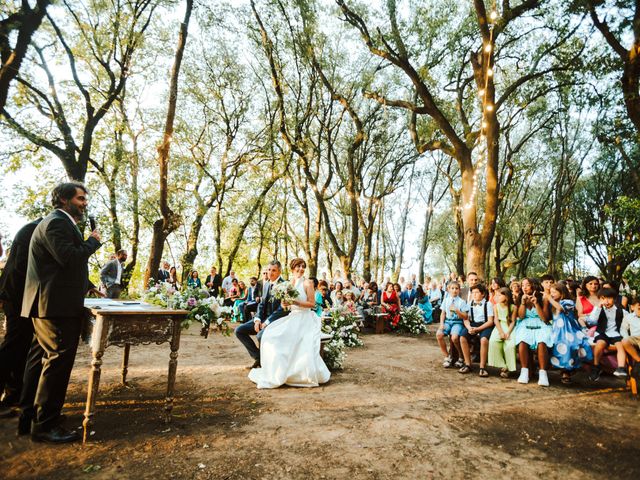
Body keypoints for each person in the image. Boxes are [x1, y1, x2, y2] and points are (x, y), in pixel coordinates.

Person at [20, 181, 102, 443]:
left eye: (85, 199)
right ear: (65, 200)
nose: (84, 203)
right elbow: (68, 257)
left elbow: (63, 264)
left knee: (44, 360)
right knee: (57, 363)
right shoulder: (56, 222)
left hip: (51, 304)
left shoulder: (59, 222)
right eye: (80, 199)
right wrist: (92, 243)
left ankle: (34, 416)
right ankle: (44, 425)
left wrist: (87, 286)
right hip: (54, 306)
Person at [248, 258, 330, 388]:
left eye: (303, 267)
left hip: (305, 319)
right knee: (270, 335)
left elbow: (311, 304)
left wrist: (294, 302)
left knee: (294, 340)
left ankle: (300, 374)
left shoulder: (308, 283)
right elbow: (285, 305)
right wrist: (285, 303)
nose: (301, 269)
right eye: (298, 266)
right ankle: (277, 370)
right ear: (292, 268)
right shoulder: (289, 283)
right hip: (293, 317)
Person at [0, 218, 42, 417]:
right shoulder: (36, 231)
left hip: (22, 295)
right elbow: (29, 267)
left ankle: (13, 394)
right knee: (13, 346)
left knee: (21, 346)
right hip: (18, 296)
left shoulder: (34, 229)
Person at [235, 260, 289, 369]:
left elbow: (283, 309)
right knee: (239, 331)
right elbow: (261, 304)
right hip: (263, 318)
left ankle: (268, 364)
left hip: (276, 320)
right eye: (269, 270)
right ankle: (258, 357)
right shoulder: (266, 284)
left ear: (279, 271)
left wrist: (267, 322)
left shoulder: (285, 285)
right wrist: (257, 319)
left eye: (273, 270)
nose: (270, 272)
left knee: (260, 335)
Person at [548, 282, 593, 384]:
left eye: (554, 292)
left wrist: (549, 298)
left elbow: (560, 309)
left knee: (568, 344)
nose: (552, 294)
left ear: (562, 293)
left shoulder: (568, 302)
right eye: (551, 292)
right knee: (553, 342)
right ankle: (560, 368)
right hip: (556, 331)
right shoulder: (553, 304)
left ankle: (566, 371)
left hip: (569, 330)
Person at [514, 278, 553, 386]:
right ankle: (524, 371)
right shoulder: (520, 297)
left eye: (527, 285)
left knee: (542, 342)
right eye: (523, 285)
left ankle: (543, 373)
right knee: (522, 340)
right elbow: (521, 316)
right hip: (525, 323)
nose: (524, 287)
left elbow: (545, 318)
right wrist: (522, 303)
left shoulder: (543, 298)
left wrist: (536, 303)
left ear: (533, 286)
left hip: (541, 323)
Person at [587, 287, 627, 380]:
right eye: (603, 298)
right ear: (600, 299)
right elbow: (592, 321)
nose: (606, 301)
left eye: (609, 298)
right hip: (602, 332)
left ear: (615, 299)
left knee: (620, 345)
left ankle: (621, 368)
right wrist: (598, 307)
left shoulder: (620, 310)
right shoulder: (598, 309)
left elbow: (629, 320)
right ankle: (596, 366)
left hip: (616, 333)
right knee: (600, 344)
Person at [460, 284, 494, 376]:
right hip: (473, 324)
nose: (474, 294)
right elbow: (466, 319)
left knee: (483, 340)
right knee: (462, 337)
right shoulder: (469, 303)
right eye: (473, 292)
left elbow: (490, 321)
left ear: (483, 294)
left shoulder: (488, 304)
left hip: (485, 325)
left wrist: (478, 329)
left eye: (477, 292)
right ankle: (468, 364)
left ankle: (482, 367)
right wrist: (469, 328)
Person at [436, 281, 468, 369]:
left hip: (457, 322)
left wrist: (457, 311)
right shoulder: (446, 300)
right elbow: (442, 313)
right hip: (447, 322)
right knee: (439, 334)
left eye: (456, 288)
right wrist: (441, 324)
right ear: (448, 289)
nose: (454, 290)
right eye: (452, 288)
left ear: (459, 290)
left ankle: (461, 356)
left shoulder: (462, 302)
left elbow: (465, 316)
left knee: (454, 338)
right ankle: (447, 356)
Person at [488, 287, 517, 378]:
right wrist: (501, 332)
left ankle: (509, 367)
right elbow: (496, 320)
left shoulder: (513, 307)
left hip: (509, 327)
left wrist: (508, 332)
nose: (497, 296)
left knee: (510, 345)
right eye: (497, 295)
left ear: (506, 296)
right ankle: (502, 365)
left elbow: (513, 321)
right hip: (499, 327)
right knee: (493, 341)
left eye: (499, 295)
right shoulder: (496, 306)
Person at [621, 298, 640, 377]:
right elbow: (623, 329)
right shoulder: (628, 317)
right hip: (634, 338)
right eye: (639, 308)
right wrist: (626, 337)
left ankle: (637, 367)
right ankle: (639, 361)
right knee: (625, 341)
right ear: (632, 307)